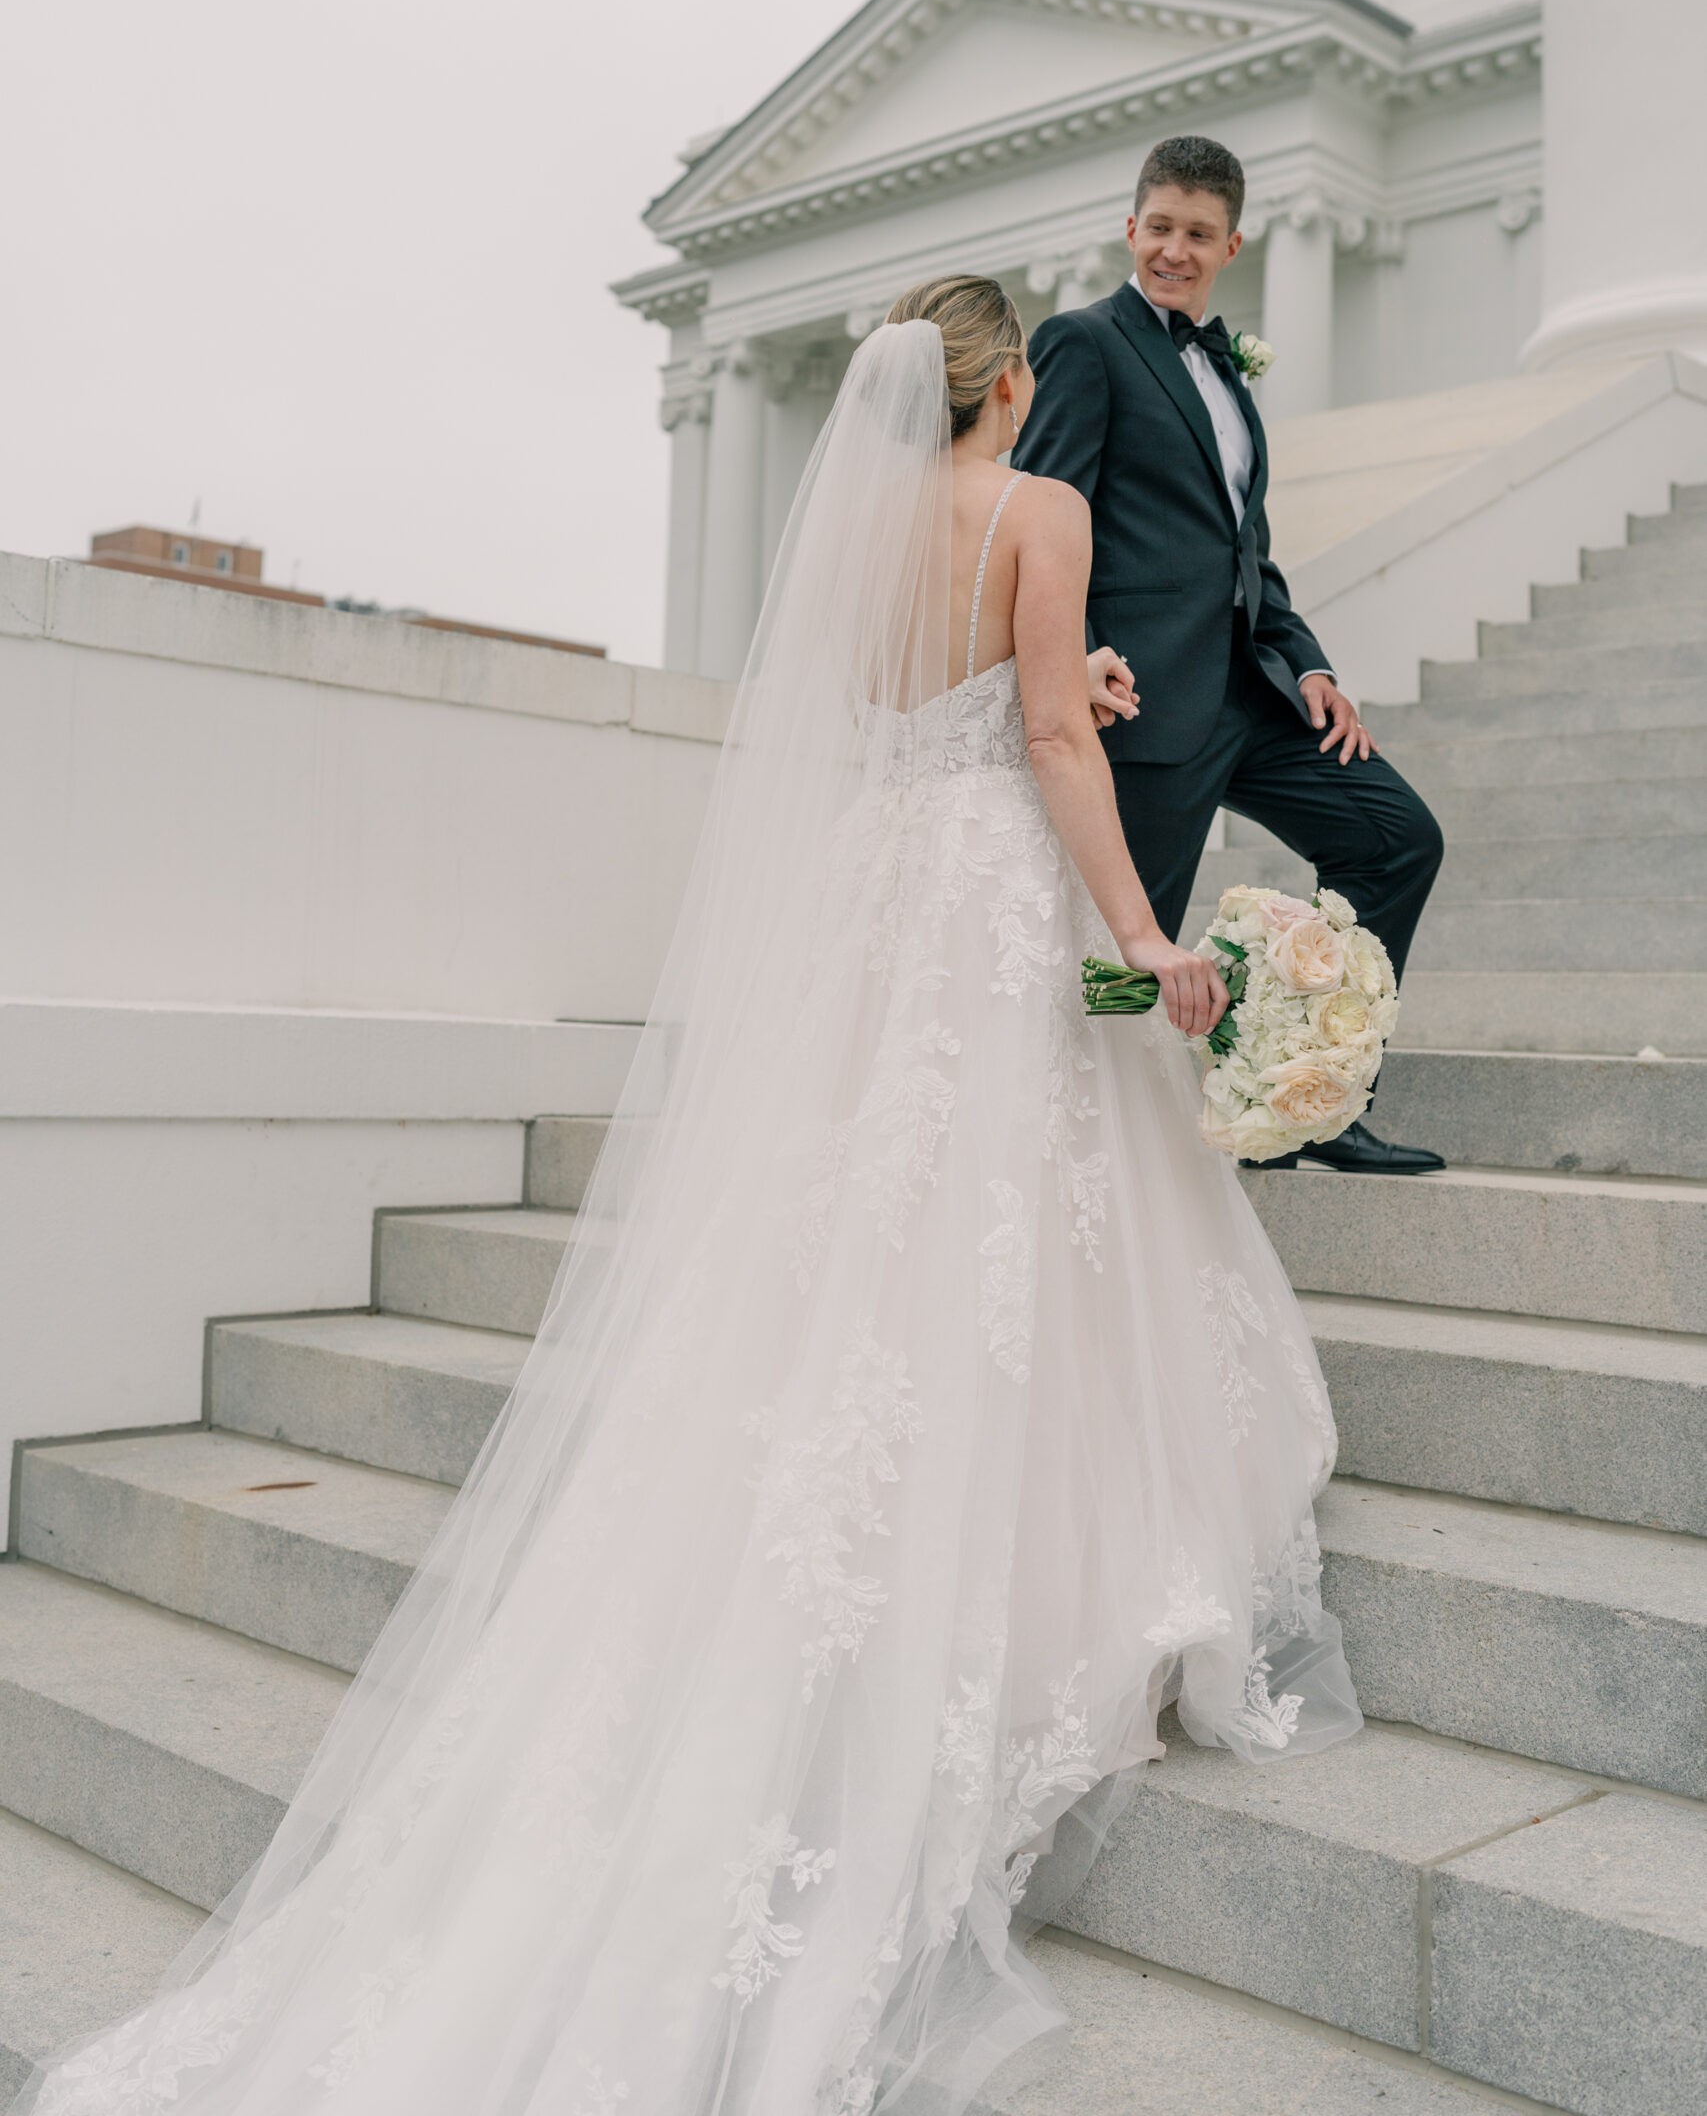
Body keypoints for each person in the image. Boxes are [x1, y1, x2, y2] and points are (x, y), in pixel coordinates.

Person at [22, 285, 1358, 2116]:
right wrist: (1140, 934)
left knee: (856, 1251)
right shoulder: (1037, 511)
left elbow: (942, 714)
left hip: (873, 901)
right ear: (1007, 388)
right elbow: (1043, 748)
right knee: (995, 1240)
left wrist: (1068, 692)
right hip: (981, 901)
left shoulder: (858, 542)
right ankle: (1025, 1604)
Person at [1012, 134, 1447, 1176]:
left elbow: (1246, 552)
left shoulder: (1230, 378)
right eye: (1159, 226)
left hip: (1254, 697)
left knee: (1397, 837)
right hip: (1144, 701)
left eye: (1197, 233)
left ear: (1231, 244)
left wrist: (1308, 663)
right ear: (1131, 228)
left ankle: (1313, 1093)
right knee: (1123, 958)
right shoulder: (1083, 341)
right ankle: (1080, 1163)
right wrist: (1072, 654)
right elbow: (1042, 513)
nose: (1174, 248)